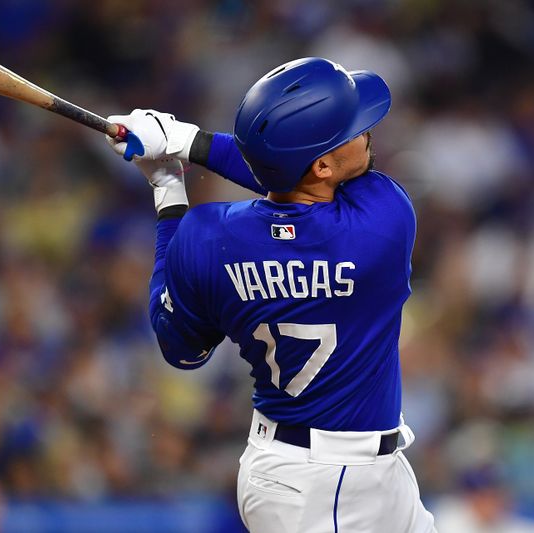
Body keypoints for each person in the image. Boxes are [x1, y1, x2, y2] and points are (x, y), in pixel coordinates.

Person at [106, 57, 435, 533]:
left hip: (318, 472)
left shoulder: (207, 237)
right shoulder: (384, 223)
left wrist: (169, 193)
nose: (367, 132)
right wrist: (190, 142)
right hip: (315, 487)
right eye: (353, 130)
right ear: (323, 164)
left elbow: (181, 351)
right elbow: (284, 176)